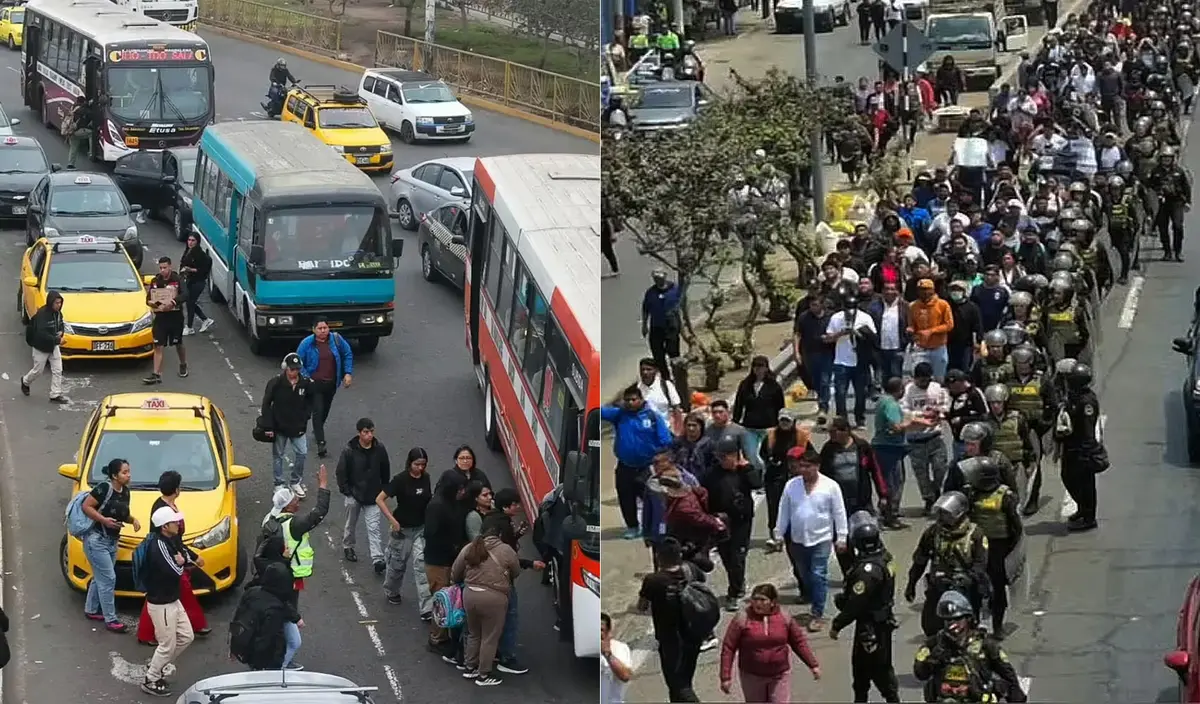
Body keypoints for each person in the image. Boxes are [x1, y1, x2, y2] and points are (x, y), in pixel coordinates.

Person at [253, 465, 331, 670]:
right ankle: (279, 662)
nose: (298, 501)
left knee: (278, 615)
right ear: (288, 506)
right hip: (290, 576)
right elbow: (319, 512)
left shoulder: (269, 520)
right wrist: (323, 485)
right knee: (287, 614)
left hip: (273, 574)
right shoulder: (293, 525)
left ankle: (274, 653)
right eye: (295, 500)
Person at [775, 446, 848, 633]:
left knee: (818, 575)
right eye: (801, 466)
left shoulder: (830, 486)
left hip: (821, 538)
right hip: (797, 539)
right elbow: (784, 510)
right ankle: (813, 597)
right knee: (805, 575)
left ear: (817, 466)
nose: (804, 470)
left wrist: (842, 537)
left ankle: (818, 612)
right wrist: (778, 533)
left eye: (808, 466)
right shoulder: (791, 485)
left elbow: (839, 513)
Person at [830, 512, 901, 703]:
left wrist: (838, 624)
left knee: (875, 669)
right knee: (866, 669)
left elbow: (855, 604)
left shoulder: (867, 571)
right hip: (880, 620)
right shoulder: (885, 557)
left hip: (871, 626)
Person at [912, 590, 1028, 702]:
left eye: (957, 619)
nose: (953, 624)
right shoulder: (934, 644)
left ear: (968, 619)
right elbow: (920, 674)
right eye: (948, 620)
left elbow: (1009, 677)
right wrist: (934, 657)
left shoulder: (986, 645)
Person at [136, 471, 209, 647]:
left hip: (175, 553)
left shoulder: (168, 506)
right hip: (168, 556)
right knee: (165, 592)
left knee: (179, 589)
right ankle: (146, 633)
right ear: (177, 489)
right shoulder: (162, 510)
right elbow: (170, 539)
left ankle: (195, 624)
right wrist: (191, 556)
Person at [905, 491, 990, 636]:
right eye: (941, 513)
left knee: (968, 629)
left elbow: (980, 563)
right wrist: (911, 583)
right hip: (938, 587)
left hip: (965, 590)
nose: (942, 517)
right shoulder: (932, 533)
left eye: (946, 514)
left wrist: (966, 578)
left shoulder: (975, 534)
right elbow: (920, 559)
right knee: (930, 626)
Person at [719, 582, 821, 703]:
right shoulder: (742, 619)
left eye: (762, 600)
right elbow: (728, 648)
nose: (757, 603)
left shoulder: (784, 617)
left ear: (772, 602)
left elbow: (798, 642)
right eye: (755, 599)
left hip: (779, 674)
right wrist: (725, 677)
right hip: (752, 676)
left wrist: (813, 665)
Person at [450, 520, 521, 686]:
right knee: (489, 637)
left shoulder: (470, 548)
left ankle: (470, 667)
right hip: (494, 598)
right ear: (500, 535)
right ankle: (483, 675)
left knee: (474, 633)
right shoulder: (505, 550)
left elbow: (455, 571)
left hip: (470, 595)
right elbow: (516, 571)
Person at [638, 537, 706, 702]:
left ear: (658, 557)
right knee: (684, 679)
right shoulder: (691, 569)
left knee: (678, 684)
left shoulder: (653, 580)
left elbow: (642, 606)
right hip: (693, 637)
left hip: (670, 641)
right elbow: (702, 580)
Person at [962, 456, 1023, 637]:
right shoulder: (971, 493)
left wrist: (1009, 552)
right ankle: (973, 625)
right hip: (978, 546)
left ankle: (997, 626)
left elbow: (1016, 527)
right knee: (974, 585)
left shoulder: (1005, 496)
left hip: (998, 548)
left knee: (997, 588)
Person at [140, 506, 196, 698]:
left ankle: (157, 664)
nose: (178, 524)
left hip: (172, 599)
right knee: (167, 644)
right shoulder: (159, 547)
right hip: (161, 603)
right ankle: (151, 678)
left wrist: (184, 559)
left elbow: (183, 556)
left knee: (187, 636)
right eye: (174, 522)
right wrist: (181, 563)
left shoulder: (169, 540)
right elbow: (176, 571)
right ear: (165, 526)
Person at [603, 385, 674, 539]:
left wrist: (658, 455)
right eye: (626, 400)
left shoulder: (652, 417)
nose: (629, 403)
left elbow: (666, 440)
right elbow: (598, 412)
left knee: (652, 499)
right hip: (624, 467)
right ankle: (632, 527)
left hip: (646, 468)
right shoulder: (619, 415)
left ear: (641, 400)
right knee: (626, 498)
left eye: (633, 399)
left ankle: (656, 526)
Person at [701, 439, 761, 611]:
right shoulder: (711, 474)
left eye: (725, 457)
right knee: (726, 556)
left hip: (742, 521)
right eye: (719, 457)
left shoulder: (744, 471)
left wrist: (746, 467)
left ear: (735, 455)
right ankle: (738, 581)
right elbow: (704, 495)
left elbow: (757, 483)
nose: (722, 460)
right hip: (720, 522)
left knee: (737, 557)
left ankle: (733, 592)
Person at [82, 458, 139, 633]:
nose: (128, 475)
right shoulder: (104, 488)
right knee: (108, 579)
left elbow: (122, 513)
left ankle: (91, 609)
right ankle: (111, 619)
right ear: (114, 475)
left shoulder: (126, 492)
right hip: (96, 540)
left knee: (100, 577)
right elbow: (87, 506)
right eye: (124, 472)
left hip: (112, 541)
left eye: (128, 471)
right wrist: (104, 521)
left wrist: (132, 520)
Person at [873, 376, 935, 528]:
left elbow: (904, 419)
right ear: (899, 390)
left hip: (886, 448)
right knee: (893, 483)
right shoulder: (891, 404)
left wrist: (922, 421)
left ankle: (887, 513)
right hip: (888, 449)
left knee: (891, 482)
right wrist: (911, 423)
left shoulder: (884, 401)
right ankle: (890, 516)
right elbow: (897, 426)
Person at [377, 447, 432, 612]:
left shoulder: (426, 478)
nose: (420, 468)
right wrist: (392, 520)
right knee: (397, 565)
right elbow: (379, 499)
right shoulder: (400, 480)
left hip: (421, 529)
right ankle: (392, 591)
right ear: (410, 463)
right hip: (402, 531)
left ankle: (427, 608)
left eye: (423, 464)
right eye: (417, 464)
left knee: (422, 567)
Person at [1054, 361, 1107, 531]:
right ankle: (1082, 509)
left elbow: (1087, 429)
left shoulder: (1086, 402)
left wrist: (1086, 452)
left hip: (1082, 449)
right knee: (1068, 477)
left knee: (1085, 484)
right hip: (1071, 445)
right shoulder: (1074, 396)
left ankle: (1089, 517)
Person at [335, 417, 391, 573]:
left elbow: (385, 469)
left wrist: (384, 490)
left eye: (371, 432)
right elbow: (341, 472)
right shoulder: (349, 450)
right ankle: (348, 546)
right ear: (359, 433)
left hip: (373, 496)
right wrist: (347, 491)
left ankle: (377, 559)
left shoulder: (379, 449)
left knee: (374, 527)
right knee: (350, 523)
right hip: (354, 494)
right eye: (366, 432)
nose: (369, 435)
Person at [424, 471, 470, 654]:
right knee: (442, 600)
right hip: (438, 561)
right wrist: (452, 546)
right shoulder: (437, 506)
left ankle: (443, 635)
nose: (463, 492)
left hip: (448, 559)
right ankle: (437, 638)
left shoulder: (451, 503)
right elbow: (431, 534)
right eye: (460, 488)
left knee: (450, 598)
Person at [296, 318, 354, 459]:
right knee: (318, 410)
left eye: (325, 328)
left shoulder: (336, 340)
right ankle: (321, 443)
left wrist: (347, 373)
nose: (323, 331)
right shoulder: (306, 343)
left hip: (331, 384)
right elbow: (298, 361)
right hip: (314, 384)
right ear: (314, 330)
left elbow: (347, 354)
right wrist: (306, 377)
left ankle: (317, 430)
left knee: (325, 411)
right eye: (320, 328)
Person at [229, 561, 301, 671]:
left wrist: (234, 647)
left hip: (248, 647)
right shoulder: (276, 608)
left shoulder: (252, 592)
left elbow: (237, 618)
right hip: (267, 661)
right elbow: (268, 641)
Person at [260, 353, 313, 496]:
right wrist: (269, 426)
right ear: (285, 368)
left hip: (298, 427)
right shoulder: (275, 383)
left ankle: (295, 481)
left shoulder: (305, 383)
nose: (294, 372)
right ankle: (279, 483)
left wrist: (305, 417)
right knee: (278, 455)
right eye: (292, 369)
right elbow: (266, 404)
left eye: (297, 369)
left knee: (302, 453)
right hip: (280, 427)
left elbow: (310, 402)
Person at [901, 363, 950, 515]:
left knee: (940, 467)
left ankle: (936, 489)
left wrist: (938, 412)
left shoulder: (937, 388)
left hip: (935, 436)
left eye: (927, 380)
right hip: (915, 440)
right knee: (921, 474)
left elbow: (946, 405)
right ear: (915, 379)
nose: (924, 384)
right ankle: (929, 499)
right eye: (921, 381)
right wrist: (922, 416)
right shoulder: (907, 391)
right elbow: (904, 412)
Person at [759, 409, 812, 550]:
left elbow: (811, 454)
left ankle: (797, 534)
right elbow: (763, 452)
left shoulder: (801, 436)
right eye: (782, 420)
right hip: (774, 476)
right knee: (774, 505)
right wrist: (771, 462)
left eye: (787, 421)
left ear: (793, 421)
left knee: (797, 505)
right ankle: (775, 536)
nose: (784, 423)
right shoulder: (771, 435)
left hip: (796, 476)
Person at [825, 294, 878, 428]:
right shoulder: (836, 318)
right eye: (847, 308)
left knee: (860, 392)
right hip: (841, 361)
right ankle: (842, 420)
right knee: (840, 393)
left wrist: (858, 333)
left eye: (853, 308)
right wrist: (841, 333)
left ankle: (860, 418)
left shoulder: (865, 318)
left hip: (860, 361)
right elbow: (827, 338)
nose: (850, 311)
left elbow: (874, 337)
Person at [143, 256, 188, 384]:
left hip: (175, 317)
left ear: (170, 267)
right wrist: (152, 303)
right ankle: (156, 374)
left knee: (178, 343)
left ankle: (183, 363)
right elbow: (148, 299)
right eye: (161, 268)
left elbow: (185, 294)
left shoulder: (178, 280)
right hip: (161, 318)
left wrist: (173, 302)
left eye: (165, 268)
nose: (163, 270)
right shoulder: (155, 281)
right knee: (158, 345)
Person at [732, 355, 787, 458]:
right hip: (750, 427)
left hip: (769, 427)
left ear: (766, 368)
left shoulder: (774, 386)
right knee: (751, 455)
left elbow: (781, 406)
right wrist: (735, 422)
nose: (758, 369)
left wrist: (781, 425)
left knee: (767, 455)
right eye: (755, 366)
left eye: (761, 366)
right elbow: (739, 405)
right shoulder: (745, 385)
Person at [20, 289, 68, 403]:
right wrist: (57, 339)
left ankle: (55, 394)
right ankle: (25, 381)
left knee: (57, 369)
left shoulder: (58, 314)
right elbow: (42, 334)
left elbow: (61, 324)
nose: (59, 305)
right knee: (38, 370)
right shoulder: (42, 315)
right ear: (51, 302)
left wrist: (61, 332)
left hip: (53, 346)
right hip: (41, 347)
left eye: (60, 302)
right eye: (56, 303)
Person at [909, 278, 956, 380]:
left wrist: (931, 331)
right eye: (921, 289)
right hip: (921, 348)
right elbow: (912, 324)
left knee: (938, 378)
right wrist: (911, 329)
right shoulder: (913, 306)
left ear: (933, 290)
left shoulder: (942, 304)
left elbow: (949, 325)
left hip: (938, 347)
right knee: (920, 377)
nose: (924, 292)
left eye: (927, 289)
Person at [642, 269, 682, 380]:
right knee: (658, 356)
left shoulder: (675, 289)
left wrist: (682, 326)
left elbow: (682, 305)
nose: (658, 280)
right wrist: (644, 325)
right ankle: (666, 378)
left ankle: (678, 377)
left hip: (671, 327)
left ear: (665, 276)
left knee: (674, 354)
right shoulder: (650, 292)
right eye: (655, 278)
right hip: (656, 327)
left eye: (660, 278)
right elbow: (645, 309)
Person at [178, 232, 214, 336]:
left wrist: (191, 269)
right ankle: (205, 319)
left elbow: (204, 269)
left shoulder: (200, 254)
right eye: (189, 240)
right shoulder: (188, 251)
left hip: (198, 282)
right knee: (191, 302)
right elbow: (183, 263)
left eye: (193, 240)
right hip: (189, 280)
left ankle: (189, 327)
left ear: (197, 242)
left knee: (190, 303)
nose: (190, 242)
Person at [601, 613, 633, 703]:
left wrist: (607, 654)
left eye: (601, 630)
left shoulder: (619, 648)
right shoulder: (586, 650)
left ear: (609, 632)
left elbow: (625, 676)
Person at [62, 95, 93, 168]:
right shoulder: (82, 109)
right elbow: (90, 114)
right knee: (91, 133)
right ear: (83, 102)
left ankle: (71, 164)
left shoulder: (73, 107)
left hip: (71, 131)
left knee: (73, 148)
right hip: (79, 131)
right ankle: (91, 152)